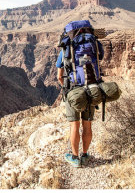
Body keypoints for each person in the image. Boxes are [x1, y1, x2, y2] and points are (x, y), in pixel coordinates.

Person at [55, 27, 102, 168]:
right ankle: (85, 154)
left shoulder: (66, 47)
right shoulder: (93, 44)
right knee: (87, 124)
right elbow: (99, 60)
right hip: (91, 87)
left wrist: (66, 88)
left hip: (73, 90)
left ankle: (75, 158)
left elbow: (59, 76)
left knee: (74, 125)